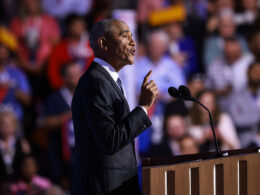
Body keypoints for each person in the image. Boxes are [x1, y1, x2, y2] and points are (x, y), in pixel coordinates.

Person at [71, 19, 158, 195]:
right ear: (103, 43)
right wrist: (143, 107)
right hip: (105, 187)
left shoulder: (107, 81)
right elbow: (110, 140)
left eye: (133, 37)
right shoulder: (95, 82)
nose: (133, 42)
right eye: (125, 36)